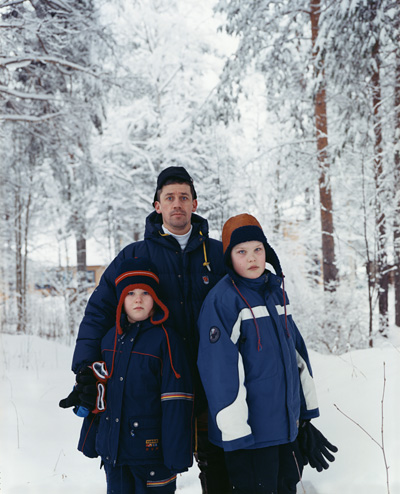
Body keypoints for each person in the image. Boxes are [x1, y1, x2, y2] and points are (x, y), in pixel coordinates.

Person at [67, 166, 230, 493]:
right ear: (157, 206)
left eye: (184, 197)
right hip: (157, 395)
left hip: (214, 387)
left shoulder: (218, 254)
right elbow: (100, 310)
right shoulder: (135, 256)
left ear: (195, 204)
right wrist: (86, 367)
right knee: (154, 478)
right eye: (169, 198)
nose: (177, 204)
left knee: (222, 474)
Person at [197, 213, 338, 494]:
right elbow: (220, 374)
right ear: (229, 257)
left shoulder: (276, 293)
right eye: (242, 252)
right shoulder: (223, 301)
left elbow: (296, 356)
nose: (252, 258)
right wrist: (236, 436)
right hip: (249, 438)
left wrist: (305, 415)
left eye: (258, 249)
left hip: (284, 431)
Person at [61, 257, 194, 493]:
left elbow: (177, 401)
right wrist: (92, 432)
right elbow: (100, 390)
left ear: (156, 298)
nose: (138, 299)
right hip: (115, 455)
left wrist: (175, 455)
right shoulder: (109, 338)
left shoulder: (166, 340)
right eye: (131, 293)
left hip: (153, 456)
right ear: (121, 300)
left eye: (145, 292)